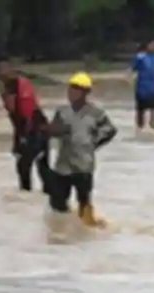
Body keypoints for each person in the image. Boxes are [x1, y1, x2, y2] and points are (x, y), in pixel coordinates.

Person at [46, 72, 117, 225]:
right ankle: (61, 229)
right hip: (63, 165)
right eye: (70, 89)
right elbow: (52, 130)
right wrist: (55, 130)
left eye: (76, 90)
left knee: (84, 202)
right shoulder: (62, 112)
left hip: (84, 165)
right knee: (57, 204)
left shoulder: (96, 113)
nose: (72, 93)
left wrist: (94, 143)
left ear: (86, 93)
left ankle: (87, 230)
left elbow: (110, 130)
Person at [0, 57, 50, 194]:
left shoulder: (21, 85)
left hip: (36, 129)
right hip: (26, 130)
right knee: (28, 165)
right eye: (0, 69)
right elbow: (14, 117)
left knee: (29, 165)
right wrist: (18, 139)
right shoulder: (7, 89)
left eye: (5, 68)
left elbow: (28, 113)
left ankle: (42, 196)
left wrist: (25, 137)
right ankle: (32, 195)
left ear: (12, 69)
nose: (3, 72)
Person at [132, 40, 154, 129]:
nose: (153, 47)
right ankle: (141, 130)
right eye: (151, 45)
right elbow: (132, 70)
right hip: (142, 89)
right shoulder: (140, 58)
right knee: (141, 112)